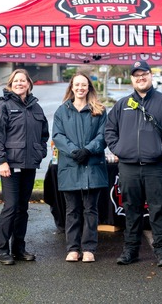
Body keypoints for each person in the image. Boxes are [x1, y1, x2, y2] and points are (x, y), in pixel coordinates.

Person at [105, 61, 162, 267]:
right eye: (136, 75)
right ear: (131, 79)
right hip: (129, 168)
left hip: (156, 167)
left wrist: (160, 150)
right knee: (131, 210)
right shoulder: (122, 105)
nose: (140, 78)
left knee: (159, 210)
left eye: (144, 74)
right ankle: (131, 250)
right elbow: (109, 130)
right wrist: (118, 149)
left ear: (151, 75)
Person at [0, 69, 49, 265]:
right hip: (10, 166)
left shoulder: (36, 107)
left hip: (29, 165)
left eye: (23, 80)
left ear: (29, 84)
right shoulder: (3, 106)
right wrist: (2, 161)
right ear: (10, 84)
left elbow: (44, 135)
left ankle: (19, 248)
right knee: (11, 207)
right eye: (16, 81)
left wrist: (40, 152)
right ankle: (2, 250)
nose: (20, 83)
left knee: (23, 208)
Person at [52, 72, 108, 263]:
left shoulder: (99, 110)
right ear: (72, 87)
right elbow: (58, 136)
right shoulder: (62, 111)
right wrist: (75, 151)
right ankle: (73, 248)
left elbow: (103, 135)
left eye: (84, 85)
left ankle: (89, 248)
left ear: (89, 88)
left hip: (92, 166)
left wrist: (88, 150)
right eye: (77, 85)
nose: (80, 88)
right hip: (71, 165)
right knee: (72, 210)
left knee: (90, 209)